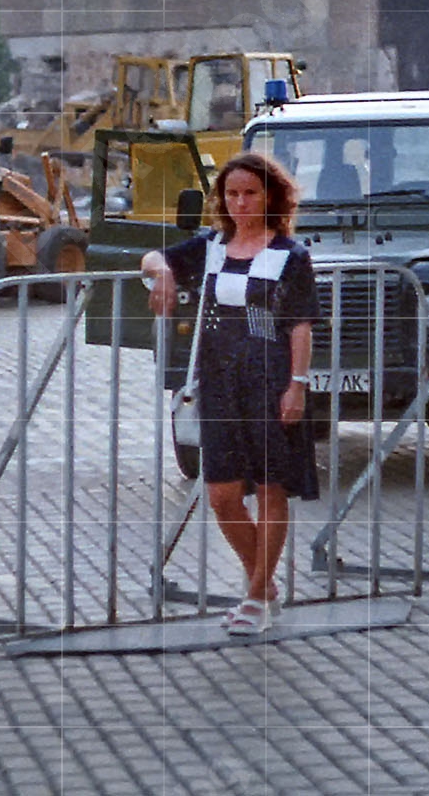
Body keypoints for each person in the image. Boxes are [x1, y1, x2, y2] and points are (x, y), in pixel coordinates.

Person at [138, 152, 319, 637]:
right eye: (232, 194)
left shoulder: (291, 256)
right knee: (221, 495)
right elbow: (153, 256)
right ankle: (267, 590)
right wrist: (166, 274)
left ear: (270, 197)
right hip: (219, 382)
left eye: (250, 193)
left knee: (269, 489)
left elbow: (301, 326)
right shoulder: (211, 247)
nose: (240, 203)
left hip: (271, 380)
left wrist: (296, 386)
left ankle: (257, 596)